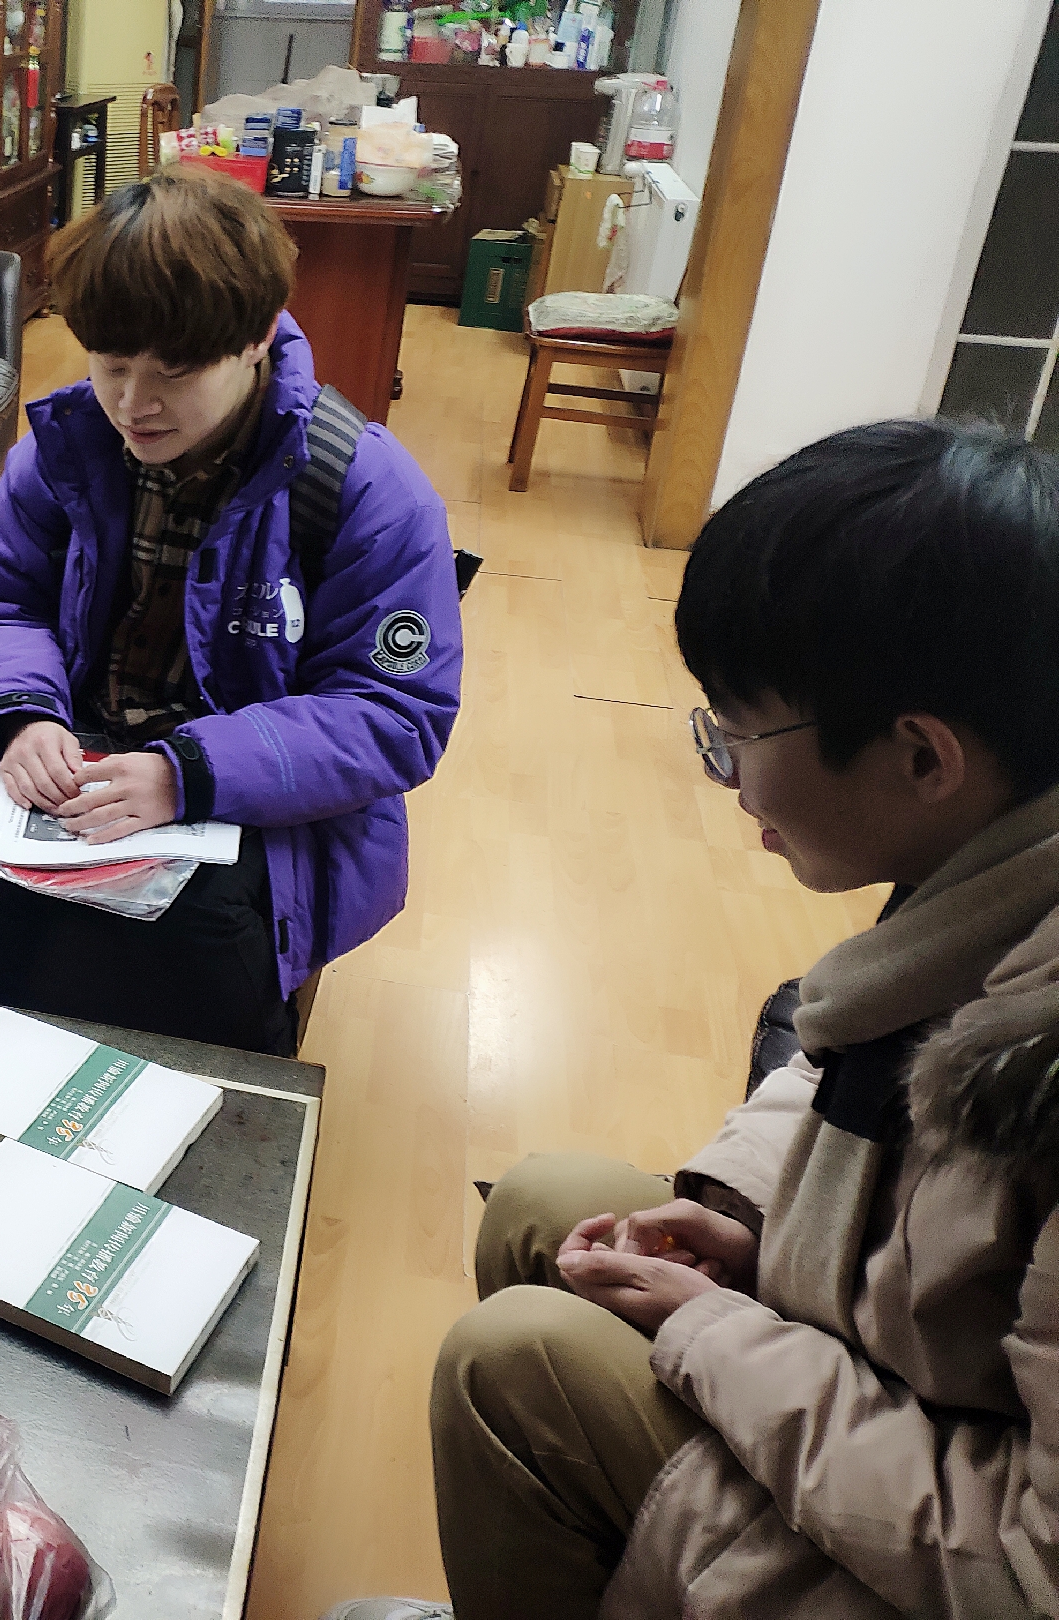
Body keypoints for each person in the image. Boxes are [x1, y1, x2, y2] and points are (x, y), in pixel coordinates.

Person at [340, 419, 1059, 1620]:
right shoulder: (994, 860)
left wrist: (720, 1332)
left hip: (947, 1560)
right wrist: (746, 1221)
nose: (727, 779)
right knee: (546, 1206)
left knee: (510, 1363)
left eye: (735, 734)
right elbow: (851, 1065)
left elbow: (1026, 1572)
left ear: (922, 758)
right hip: (896, 1389)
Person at [0, 164, 462, 1056]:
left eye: (173, 372)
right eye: (111, 365)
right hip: (88, 758)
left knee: (198, 938)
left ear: (255, 338)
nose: (134, 404)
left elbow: (396, 714)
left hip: (253, 793)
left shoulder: (365, 487)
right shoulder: (67, 450)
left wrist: (186, 774)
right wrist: (20, 718)